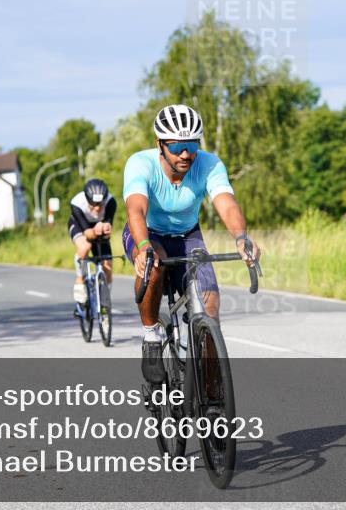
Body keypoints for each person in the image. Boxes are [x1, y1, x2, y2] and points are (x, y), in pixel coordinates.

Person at [122, 104, 260, 386]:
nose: (186, 153)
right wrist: (144, 246)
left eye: (192, 144)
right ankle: (151, 335)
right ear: (159, 144)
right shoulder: (140, 163)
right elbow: (136, 209)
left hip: (187, 235)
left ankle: (212, 398)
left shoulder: (209, 163)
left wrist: (240, 237)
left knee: (210, 306)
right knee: (154, 264)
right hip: (147, 233)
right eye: (177, 146)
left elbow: (226, 202)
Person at [68, 178, 116, 313]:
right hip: (80, 226)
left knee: (107, 266)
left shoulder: (111, 202)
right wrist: (96, 231)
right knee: (84, 247)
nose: (97, 208)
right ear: (87, 200)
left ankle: (105, 302)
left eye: (100, 204)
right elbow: (88, 233)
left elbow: (107, 231)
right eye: (93, 204)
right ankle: (79, 280)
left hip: (99, 227)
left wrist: (106, 231)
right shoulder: (77, 203)